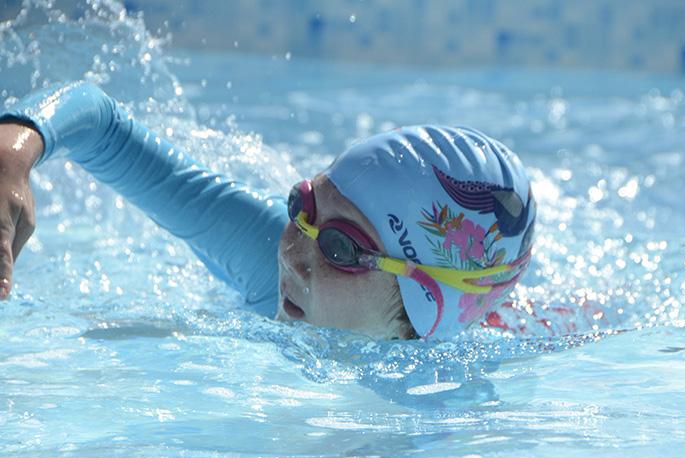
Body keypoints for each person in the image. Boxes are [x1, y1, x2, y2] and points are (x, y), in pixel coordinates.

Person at [0, 81, 536, 340]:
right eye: (302, 205)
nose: (292, 250)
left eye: (339, 247)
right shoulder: (268, 258)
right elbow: (99, 124)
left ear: (424, 302)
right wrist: (14, 153)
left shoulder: (443, 403)